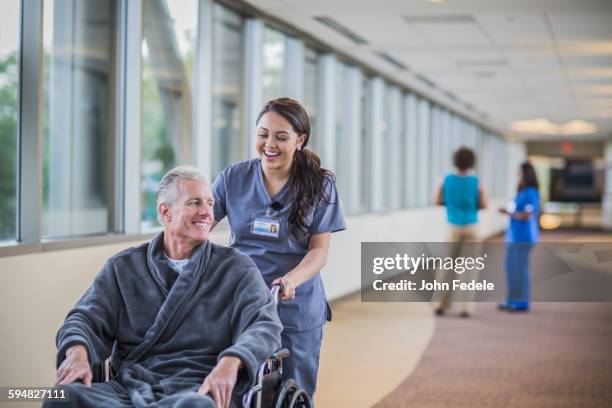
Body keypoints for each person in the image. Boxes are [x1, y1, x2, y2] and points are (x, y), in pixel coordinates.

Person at [45, 166, 282, 408]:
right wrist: (77, 352)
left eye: (209, 203)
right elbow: (85, 318)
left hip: (200, 385)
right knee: (62, 399)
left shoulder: (236, 268)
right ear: (165, 211)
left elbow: (265, 324)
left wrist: (232, 361)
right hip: (132, 384)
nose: (206, 212)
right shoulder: (123, 267)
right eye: (195, 203)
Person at [211, 98, 346, 400]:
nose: (269, 144)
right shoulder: (234, 178)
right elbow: (199, 224)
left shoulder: (319, 185)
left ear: (300, 140)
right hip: (242, 303)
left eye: (281, 137)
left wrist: (290, 281)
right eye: (263, 134)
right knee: (241, 391)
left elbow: (318, 252)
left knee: (293, 393)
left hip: (294, 308)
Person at [432, 147, 487, 318]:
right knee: (469, 270)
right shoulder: (476, 182)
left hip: (453, 226)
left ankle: (440, 304)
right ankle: (465, 308)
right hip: (472, 226)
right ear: (472, 162)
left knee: (447, 267)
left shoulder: (446, 180)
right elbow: (484, 204)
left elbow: (437, 201)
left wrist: (451, 204)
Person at [498, 162, 540, 312]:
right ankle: (511, 299)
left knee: (520, 270)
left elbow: (527, 215)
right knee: (510, 268)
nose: (518, 176)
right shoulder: (521, 192)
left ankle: (521, 303)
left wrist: (509, 213)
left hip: (523, 237)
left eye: (520, 173)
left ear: (526, 174)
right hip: (513, 236)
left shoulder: (531, 192)